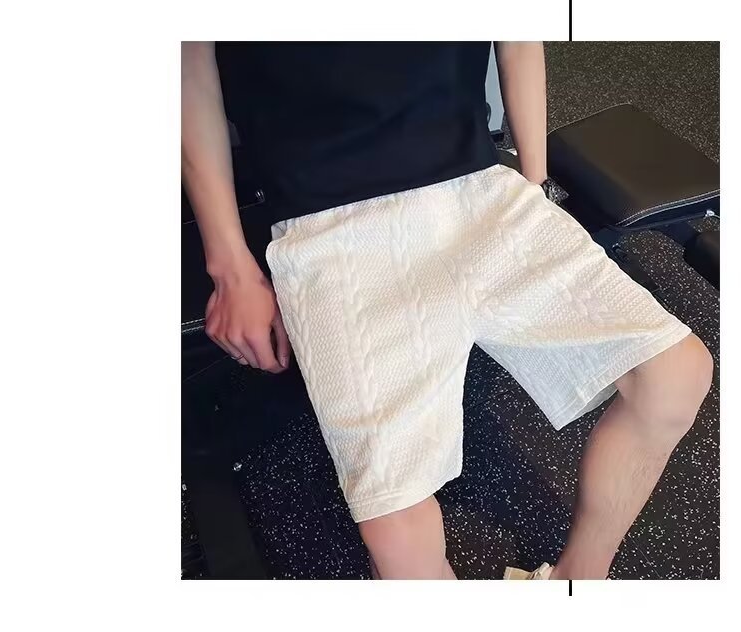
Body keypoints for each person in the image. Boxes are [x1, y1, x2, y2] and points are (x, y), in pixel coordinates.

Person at [181, 42, 713, 580]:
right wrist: (230, 267)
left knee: (674, 374)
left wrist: (533, 186)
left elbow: (518, 38)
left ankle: (577, 579)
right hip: (327, 222)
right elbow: (189, 67)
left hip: (477, 186)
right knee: (395, 527)